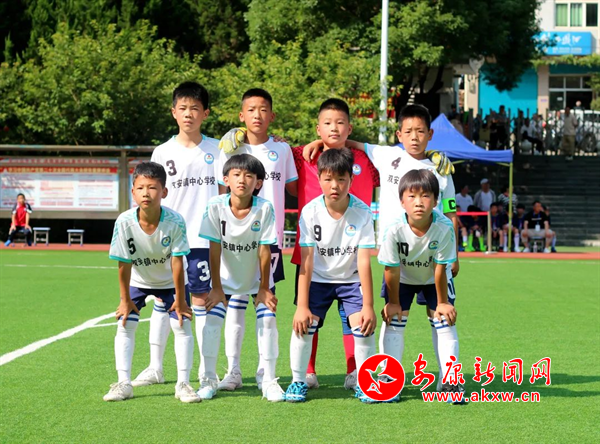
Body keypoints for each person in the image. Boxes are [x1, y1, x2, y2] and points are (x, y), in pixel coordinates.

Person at [304, 104, 457, 380]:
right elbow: (350, 141)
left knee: (441, 316)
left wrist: (454, 255)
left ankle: (450, 379)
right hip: (395, 257)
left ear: (430, 134)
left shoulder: (440, 167)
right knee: (394, 314)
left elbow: (450, 211)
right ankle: (388, 378)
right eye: (408, 131)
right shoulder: (386, 155)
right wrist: (320, 143)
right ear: (399, 134)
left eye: (420, 131)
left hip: (434, 255)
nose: (414, 137)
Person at [282, 98, 380, 390]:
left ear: (350, 127)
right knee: (307, 317)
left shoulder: (365, 160)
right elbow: (274, 152)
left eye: (340, 123)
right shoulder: (303, 156)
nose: (334, 128)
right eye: (327, 124)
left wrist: (431, 157)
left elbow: (395, 160)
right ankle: (307, 374)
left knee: (355, 319)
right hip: (313, 256)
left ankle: (356, 373)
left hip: (351, 257)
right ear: (318, 128)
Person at [132, 82, 220, 390]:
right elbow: (153, 196)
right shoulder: (162, 151)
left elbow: (225, 192)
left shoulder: (218, 149)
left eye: (195, 108)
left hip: (203, 240)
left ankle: (207, 372)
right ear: (173, 112)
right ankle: (155, 367)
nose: (188, 114)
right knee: (162, 300)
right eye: (182, 108)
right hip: (168, 241)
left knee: (201, 302)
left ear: (205, 113)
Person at [216, 88, 298, 393]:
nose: (257, 115)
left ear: (272, 115)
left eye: (263, 110)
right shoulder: (230, 148)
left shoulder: (282, 150)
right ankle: (233, 371)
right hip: (234, 239)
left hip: (268, 239)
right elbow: (221, 192)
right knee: (235, 305)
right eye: (251, 110)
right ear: (241, 115)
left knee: (266, 303)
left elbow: (295, 188)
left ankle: (266, 372)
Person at [104, 162, 199, 403]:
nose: (146, 193)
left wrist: (180, 299)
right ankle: (123, 383)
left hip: (170, 282)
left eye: (153, 188)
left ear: (164, 192)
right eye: (140, 188)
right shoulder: (124, 222)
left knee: (181, 324)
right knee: (125, 322)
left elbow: (178, 263)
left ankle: (183, 384)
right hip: (139, 279)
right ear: (133, 192)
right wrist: (125, 300)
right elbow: (123, 263)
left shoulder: (175, 221)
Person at [199, 153, 285, 402]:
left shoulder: (264, 207)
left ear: (258, 183)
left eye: (249, 176)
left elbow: (264, 249)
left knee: (268, 321)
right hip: (225, 279)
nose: (242, 180)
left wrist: (264, 287)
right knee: (211, 322)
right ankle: (209, 379)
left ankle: (268, 379)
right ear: (226, 179)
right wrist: (216, 287)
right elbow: (214, 248)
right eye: (236, 174)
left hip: (257, 278)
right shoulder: (215, 205)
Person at [378, 169, 464, 402]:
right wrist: (393, 302)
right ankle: (390, 379)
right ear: (401, 201)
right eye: (412, 196)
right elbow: (391, 269)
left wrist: (443, 303)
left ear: (436, 201)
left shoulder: (444, 226)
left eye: (425, 196)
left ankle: (450, 380)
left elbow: (440, 268)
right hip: (402, 277)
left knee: (444, 320)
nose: (418, 202)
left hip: (432, 278)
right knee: (394, 320)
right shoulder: (393, 229)